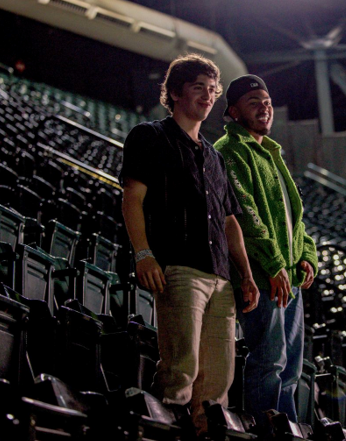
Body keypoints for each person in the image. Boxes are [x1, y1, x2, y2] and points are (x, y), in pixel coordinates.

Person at [119, 54, 259, 437]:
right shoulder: (150, 135)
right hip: (179, 269)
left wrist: (245, 275)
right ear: (176, 92)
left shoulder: (214, 157)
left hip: (221, 279)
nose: (208, 96)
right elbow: (132, 197)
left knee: (216, 386)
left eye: (213, 90)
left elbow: (231, 221)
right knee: (180, 370)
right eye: (199, 87)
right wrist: (144, 253)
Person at [214, 75, 318, 438]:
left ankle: (285, 430)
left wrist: (305, 255)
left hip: (288, 277)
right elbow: (245, 213)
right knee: (268, 361)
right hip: (263, 275)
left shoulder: (270, 152)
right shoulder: (231, 151)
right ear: (233, 111)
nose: (264, 106)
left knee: (289, 366)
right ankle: (267, 432)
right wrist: (274, 264)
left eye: (267, 100)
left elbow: (295, 217)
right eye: (254, 101)